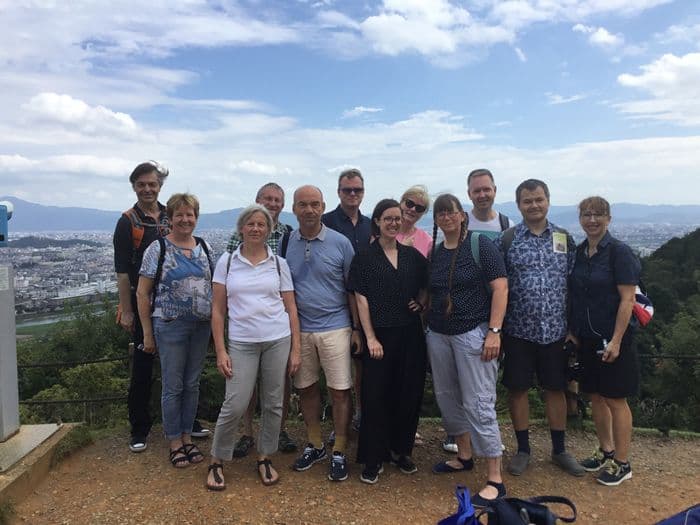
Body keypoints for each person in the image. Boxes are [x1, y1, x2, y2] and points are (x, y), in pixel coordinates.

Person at [206, 205, 301, 490]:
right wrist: (221, 350)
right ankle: (216, 460)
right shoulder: (227, 262)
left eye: (262, 224)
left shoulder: (278, 264)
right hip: (242, 341)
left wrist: (296, 348)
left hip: (277, 338)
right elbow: (218, 311)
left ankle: (264, 456)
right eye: (251, 224)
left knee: (273, 403)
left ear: (269, 230)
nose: (256, 229)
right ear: (242, 228)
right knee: (235, 403)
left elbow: (291, 308)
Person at [498, 179, 584, 477]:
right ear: (519, 204)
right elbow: (498, 286)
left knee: (555, 389)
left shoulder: (564, 238)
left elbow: (574, 286)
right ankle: (523, 449)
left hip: (556, 330)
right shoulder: (508, 239)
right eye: (527, 200)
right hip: (518, 330)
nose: (533, 205)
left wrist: (573, 328)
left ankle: (559, 450)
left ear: (548, 200)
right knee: (518, 389)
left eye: (538, 199)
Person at [427, 194, 509, 507]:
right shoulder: (436, 253)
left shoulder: (480, 245)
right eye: (441, 213)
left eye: (451, 212)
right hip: (439, 334)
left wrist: (494, 331)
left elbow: (500, 287)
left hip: (473, 333)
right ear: (436, 219)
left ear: (462, 216)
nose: (446, 217)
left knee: (478, 401)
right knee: (447, 397)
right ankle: (464, 455)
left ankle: (495, 478)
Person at [350, 199, 428, 484]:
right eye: (388, 218)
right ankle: (373, 457)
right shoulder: (365, 257)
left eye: (397, 218)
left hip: (410, 334)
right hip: (380, 335)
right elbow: (361, 298)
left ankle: (401, 450)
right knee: (375, 396)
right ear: (378, 222)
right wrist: (369, 336)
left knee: (408, 394)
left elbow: (429, 282)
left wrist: (421, 303)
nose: (393, 223)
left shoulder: (411, 256)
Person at [287, 185, 361, 482]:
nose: (309, 210)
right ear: (294, 209)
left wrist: (356, 328)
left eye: (314, 204)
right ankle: (316, 443)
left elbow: (353, 289)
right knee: (306, 388)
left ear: (323, 206)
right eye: (303, 205)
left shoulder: (341, 243)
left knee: (340, 390)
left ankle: (340, 448)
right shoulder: (286, 242)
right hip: (301, 328)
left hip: (336, 326)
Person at [136, 193, 213, 468]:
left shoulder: (204, 247)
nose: (185, 219)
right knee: (173, 384)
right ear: (170, 218)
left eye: (189, 214)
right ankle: (174, 440)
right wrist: (147, 333)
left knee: (192, 383)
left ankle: (186, 434)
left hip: (201, 325)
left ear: (196, 218)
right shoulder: (158, 249)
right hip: (169, 324)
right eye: (179, 214)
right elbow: (142, 293)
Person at [569, 196, 640, 486]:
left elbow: (628, 299)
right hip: (587, 337)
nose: (592, 220)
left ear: (609, 219)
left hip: (614, 338)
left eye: (598, 214)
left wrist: (617, 340)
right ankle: (606, 450)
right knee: (595, 395)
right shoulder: (580, 251)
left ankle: (623, 462)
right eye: (586, 214)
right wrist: (573, 330)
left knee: (615, 398)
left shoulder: (619, 252)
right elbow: (575, 294)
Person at [226, 183, 297, 457]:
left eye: (278, 199)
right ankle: (247, 432)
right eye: (268, 198)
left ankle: (279, 430)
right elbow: (227, 277)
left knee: (279, 379)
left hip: (277, 317)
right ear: (256, 200)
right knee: (246, 381)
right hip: (247, 320)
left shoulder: (288, 234)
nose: (273, 203)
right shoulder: (238, 236)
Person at [113, 161, 170, 453]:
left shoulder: (171, 215)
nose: (148, 189)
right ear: (134, 186)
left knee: (180, 365)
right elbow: (123, 271)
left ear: (160, 186)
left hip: (172, 301)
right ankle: (139, 425)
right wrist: (127, 309)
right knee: (143, 366)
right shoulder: (128, 221)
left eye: (152, 184)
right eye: (142, 184)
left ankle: (185, 420)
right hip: (142, 299)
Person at [322, 168, 371, 435]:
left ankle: (362, 416)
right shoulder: (326, 222)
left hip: (366, 307)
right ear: (338, 192)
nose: (353, 194)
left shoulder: (370, 224)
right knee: (338, 372)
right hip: (335, 307)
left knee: (363, 367)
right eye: (347, 190)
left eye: (357, 190)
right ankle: (340, 423)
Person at [466, 168, 514, 240]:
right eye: (477, 191)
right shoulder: (460, 225)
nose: (482, 195)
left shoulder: (507, 226)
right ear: (469, 194)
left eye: (486, 189)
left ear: (494, 191)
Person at [396, 185, 433, 258]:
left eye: (419, 208)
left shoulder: (427, 241)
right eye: (410, 203)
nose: (413, 209)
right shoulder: (384, 234)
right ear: (401, 203)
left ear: (423, 213)